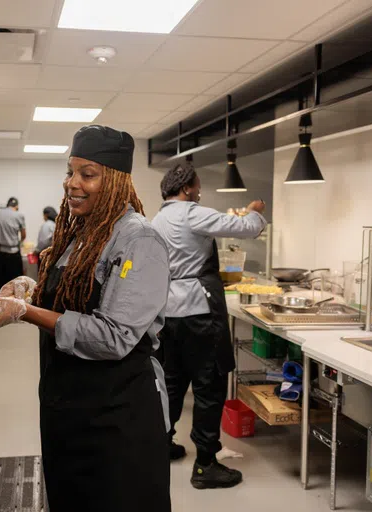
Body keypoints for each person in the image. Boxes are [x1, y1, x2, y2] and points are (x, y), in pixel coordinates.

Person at [0, 125, 172, 512]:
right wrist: (29, 288)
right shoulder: (81, 232)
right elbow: (72, 295)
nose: (72, 184)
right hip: (68, 408)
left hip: (116, 416)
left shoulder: (139, 240)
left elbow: (113, 337)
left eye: (88, 174)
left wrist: (25, 313)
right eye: (70, 171)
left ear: (114, 180)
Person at [151, 163, 267, 490]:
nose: (199, 192)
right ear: (187, 187)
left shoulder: (158, 219)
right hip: (198, 312)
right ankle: (205, 465)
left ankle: (162, 443)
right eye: (198, 187)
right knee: (208, 385)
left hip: (167, 312)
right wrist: (254, 212)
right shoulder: (191, 212)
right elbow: (244, 227)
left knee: (171, 382)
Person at [0, 197, 26, 289]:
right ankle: (14, 303)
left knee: (0, 283)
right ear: (17, 206)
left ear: (7, 205)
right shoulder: (19, 215)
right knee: (15, 283)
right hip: (13, 253)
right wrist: (19, 242)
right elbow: (23, 235)